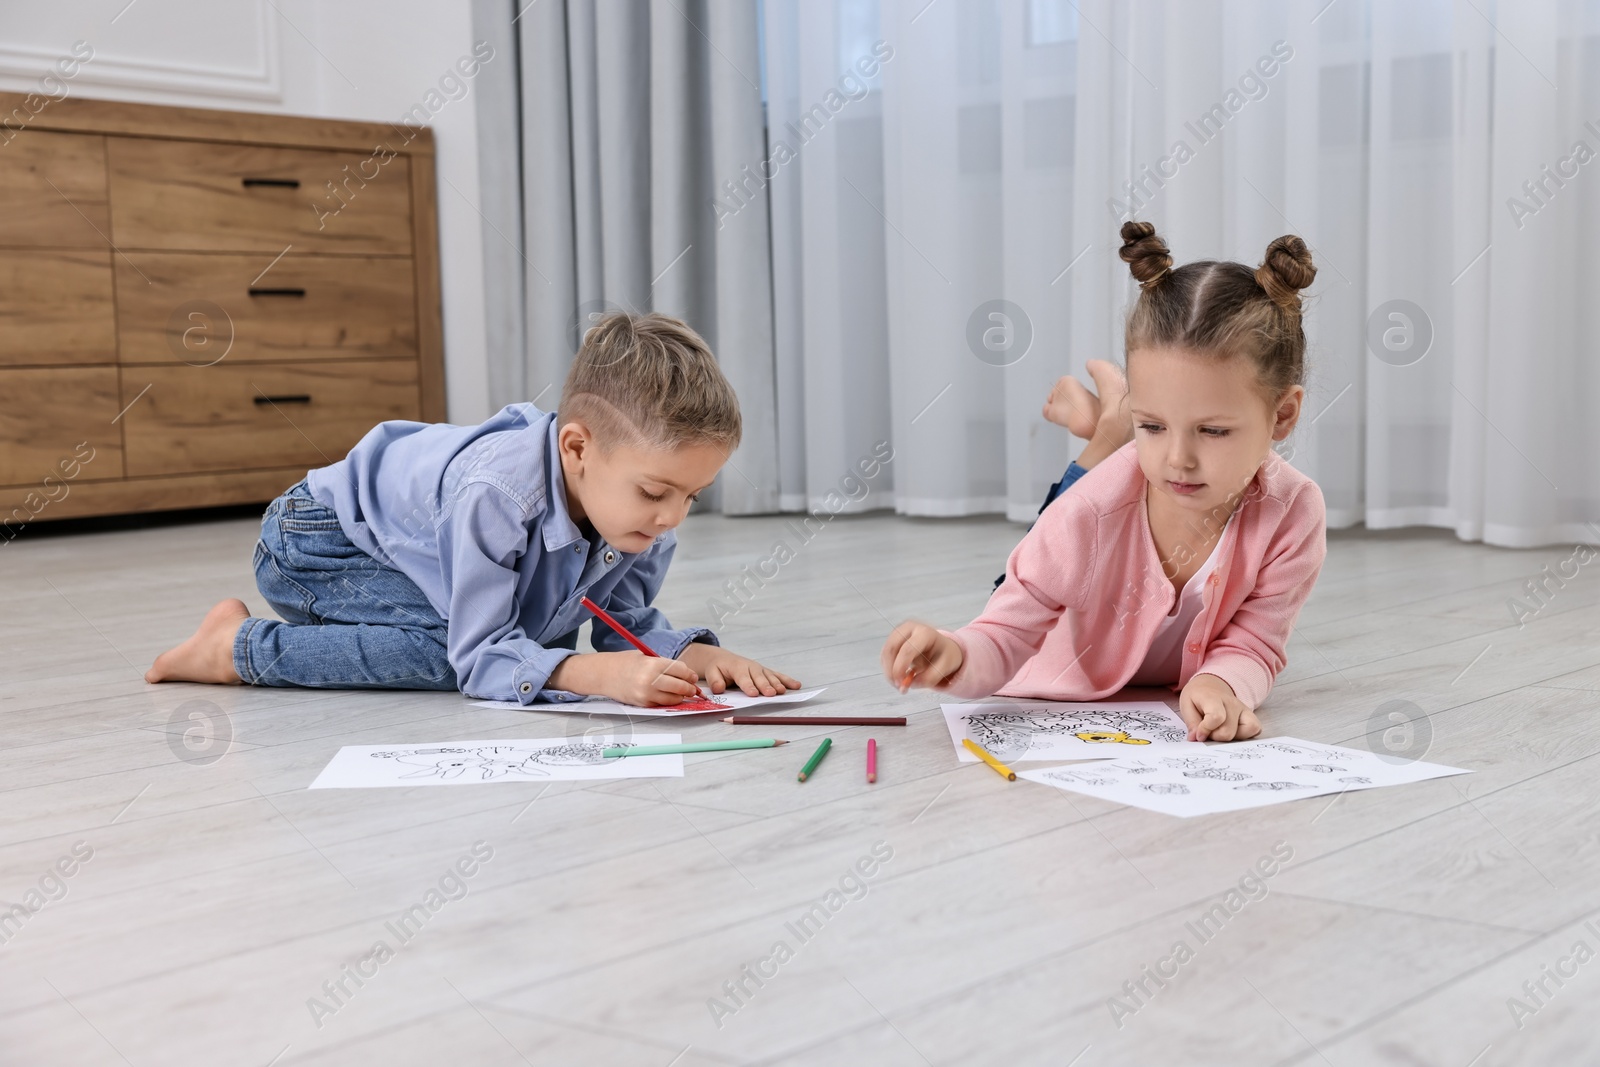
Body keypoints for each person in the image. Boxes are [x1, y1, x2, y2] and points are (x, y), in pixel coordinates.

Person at [147, 311, 799, 707]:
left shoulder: (643, 516)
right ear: (577, 447)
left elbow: (615, 622)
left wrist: (693, 656)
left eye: (692, 496)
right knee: (458, 652)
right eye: (658, 493)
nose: (673, 517)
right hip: (315, 544)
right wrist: (599, 676)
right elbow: (482, 656)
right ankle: (236, 649)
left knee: (531, 642)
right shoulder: (500, 493)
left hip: (399, 549)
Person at [883, 221, 1327, 742]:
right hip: (1065, 587)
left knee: (1111, 490)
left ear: (1283, 415)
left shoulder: (1294, 511)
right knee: (1057, 526)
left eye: (1212, 430)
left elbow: (1257, 641)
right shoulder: (1086, 513)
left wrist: (1221, 682)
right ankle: (1109, 427)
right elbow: (1004, 633)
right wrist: (955, 652)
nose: (1179, 460)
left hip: (1098, 545)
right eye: (1153, 425)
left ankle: (1110, 420)